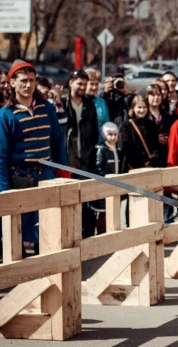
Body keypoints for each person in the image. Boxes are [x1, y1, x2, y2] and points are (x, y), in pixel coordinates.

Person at [0, 60, 68, 256]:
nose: (28, 85)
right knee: (18, 232)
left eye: (31, 80)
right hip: (21, 178)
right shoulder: (4, 116)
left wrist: (63, 173)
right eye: (23, 80)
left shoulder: (46, 108)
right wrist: (3, 192)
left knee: (50, 229)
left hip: (47, 175)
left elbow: (58, 142)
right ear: (12, 83)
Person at [62, 70, 100, 239]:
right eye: (80, 84)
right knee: (67, 199)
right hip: (67, 158)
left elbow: (93, 133)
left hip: (86, 158)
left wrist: (88, 154)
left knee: (85, 200)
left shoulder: (89, 105)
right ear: (71, 82)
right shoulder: (62, 103)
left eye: (85, 84)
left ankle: (85, 235)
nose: (83, 88)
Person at [91, 122, 123, 235]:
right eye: (110, 134)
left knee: (114, 214)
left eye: (115, 134)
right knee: (103, 216)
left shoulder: (118, 150)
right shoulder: (101, 150)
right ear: (104, 135)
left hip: (116, 187)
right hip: (105, 189)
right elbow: (98, 168)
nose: (113, 137)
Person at [119, 96, 162, 170]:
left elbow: (155, 145)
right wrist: (140, 162)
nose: (142, 110)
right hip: (134, 165)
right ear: (133, 108)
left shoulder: (151, 124)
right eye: (139, 107)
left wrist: (151, 160)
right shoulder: (127, 125)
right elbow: (126, 146)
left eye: (144, 107)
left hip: (151, 165)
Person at [145, 84, 170, 167]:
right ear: (147, 96)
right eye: (152, 95)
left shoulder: (166, 115)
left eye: (158, 95)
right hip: (148, 157)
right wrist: (155, 138)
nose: (156, 98)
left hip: (163, 156)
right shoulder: (143, 115)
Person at [84, 68, 110, 143]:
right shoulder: (79, 101)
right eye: (91, 84)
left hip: (99, 144)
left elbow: (106, 124)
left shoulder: (101, 102)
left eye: (96, 84)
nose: (94, 87)